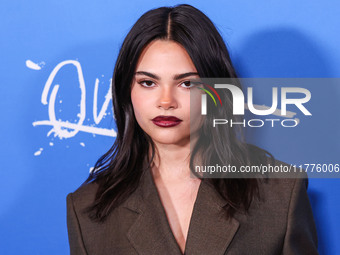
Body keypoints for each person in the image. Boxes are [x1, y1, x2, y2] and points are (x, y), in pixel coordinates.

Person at [66, 4, 318, 255]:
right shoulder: (87, 209)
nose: (166, 102)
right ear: (126, 91)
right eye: (148, 82)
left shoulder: (281, 192)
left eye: (187, 83)